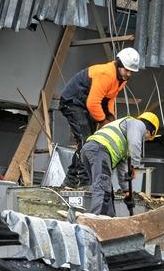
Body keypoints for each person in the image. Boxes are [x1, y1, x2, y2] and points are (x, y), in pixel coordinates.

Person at [58, 47, 141, 188]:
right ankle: (85, 182)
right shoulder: (106, 74)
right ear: (119, 64)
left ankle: (70, 180)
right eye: (126, 70)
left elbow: (109, 99)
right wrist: (103, 121)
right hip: (73, 102)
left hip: (86, 104)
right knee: (86, 141)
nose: (128, 74)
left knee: (89, 141)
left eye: (131, 72)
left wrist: (110, 120)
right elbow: (93, 103)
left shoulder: (122, 79)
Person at [80, 112, 159, 216]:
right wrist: (135, 166)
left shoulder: (124, 136)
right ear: (150, 131)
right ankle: (96, 221)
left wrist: (127, 191)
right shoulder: (137, 124)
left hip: (90, 150)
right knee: (102, 190)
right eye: (147, 138)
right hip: (100, 150)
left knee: (106, 190)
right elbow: (135, 142)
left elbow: (122, 169)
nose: (144, 139)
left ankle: (109, 220)